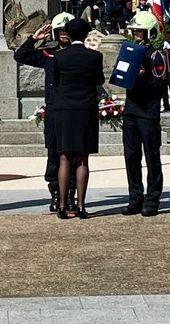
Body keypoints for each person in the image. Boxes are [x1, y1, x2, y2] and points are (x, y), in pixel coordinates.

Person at [13, 13, 75, 212]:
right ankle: (56, 193)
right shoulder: (49, 54)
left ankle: (71, 194)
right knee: (54, 153)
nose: (64, 35)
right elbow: (20, 56)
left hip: (74, 110)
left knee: (74, 154)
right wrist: (34, 39)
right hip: (55, 109)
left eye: (68, 31)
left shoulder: (81, 54)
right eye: (61, 31)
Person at [51, 17, 103, 218]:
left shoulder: (59, 56)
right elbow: (98, 80)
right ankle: (81, 206)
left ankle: (62, 206)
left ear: (69, 35)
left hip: (64, 108)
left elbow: (56, 82)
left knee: (64, 157)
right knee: (82, 158)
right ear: (86, 35)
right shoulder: (94, 56)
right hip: (85, 107)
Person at [118, 10, 166, 216]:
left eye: (140, 32)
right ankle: (135, 197)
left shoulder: (157, 55)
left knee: (152, 157)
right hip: (131, 110)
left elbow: (159, 83)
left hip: (148, 112)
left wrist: (144, 76)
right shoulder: (129, 51)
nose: (136, 35)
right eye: (134, 31)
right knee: (131, 157)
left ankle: (152, 199)